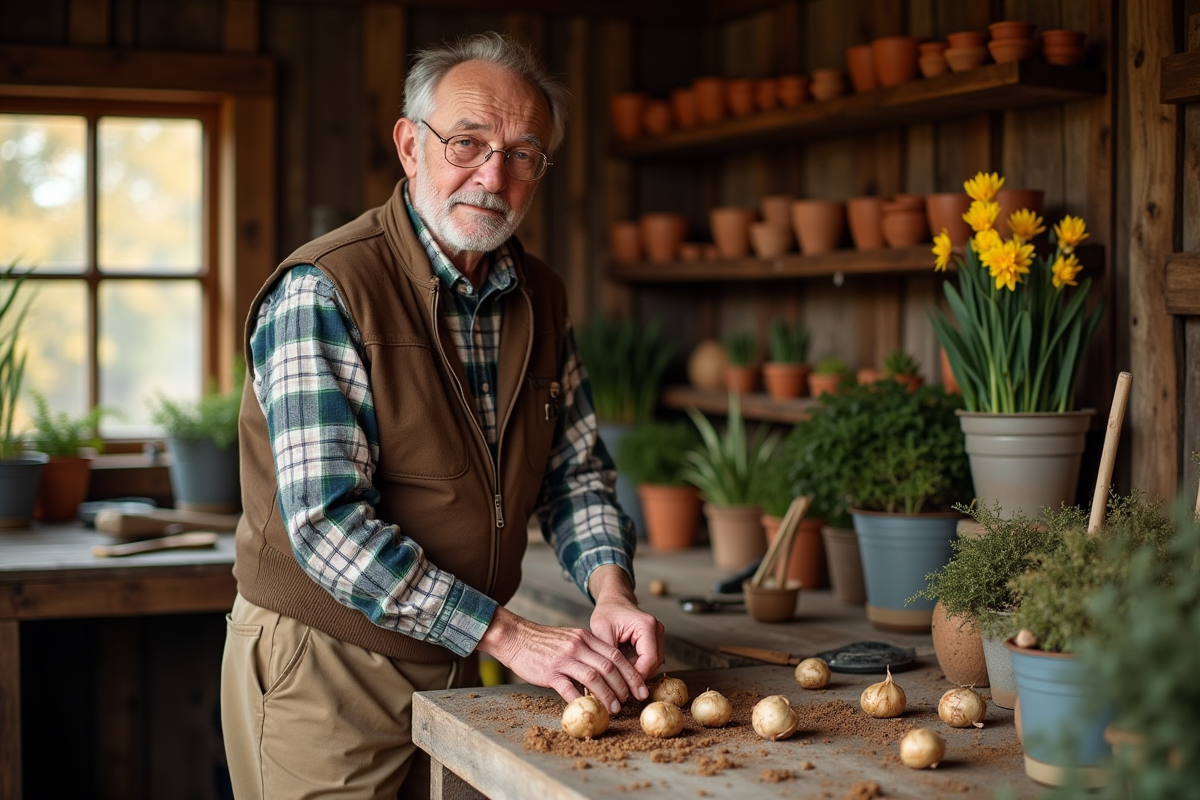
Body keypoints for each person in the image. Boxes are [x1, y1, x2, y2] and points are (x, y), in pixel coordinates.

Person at [220, 31, 665, 799]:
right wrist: (511, 635)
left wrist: (610, 589)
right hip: (327, 662)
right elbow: (328, 525)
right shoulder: (326, 289)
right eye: (468, 142)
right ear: (409, 145)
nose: (493, 175)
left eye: (524, 154)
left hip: (461, 657)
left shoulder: (541, 295)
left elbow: (575, 472)